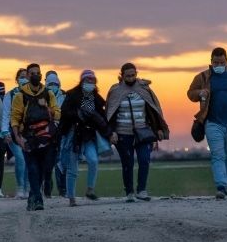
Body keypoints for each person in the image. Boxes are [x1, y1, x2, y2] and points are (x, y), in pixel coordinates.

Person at [187, 47, 227, 199]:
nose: (218, 65)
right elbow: (190, 93)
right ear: (211, 62)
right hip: (212, 122)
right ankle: (220, 186)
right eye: (215, 62)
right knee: (218, 154)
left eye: (221, 62)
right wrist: (200, 93)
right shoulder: (203, 77)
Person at [105, 62, 169, 202]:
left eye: (133, 75)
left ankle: (142, 190)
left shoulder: (144, 88)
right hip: (122, 133)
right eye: (127, 76)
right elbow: (109, 113)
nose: (130, 78)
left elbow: (154, 109)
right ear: (122, 76)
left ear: (136, 74)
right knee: (127, 163)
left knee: (144, 160)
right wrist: (112, 132)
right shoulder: (115, 91)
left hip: (143, 131)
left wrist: (158, 128)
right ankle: (129, 192)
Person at [10, 63, 61, 211]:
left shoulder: (48, 94)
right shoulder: (20, 96)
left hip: (47, 136)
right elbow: (15, 118)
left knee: (44, 169)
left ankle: (32, 196)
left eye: (37, 73)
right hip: (28, 136)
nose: (35, 75)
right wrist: (18, 138)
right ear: (27, 76)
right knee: (32, 168)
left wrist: (46, 107)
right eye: (32, 73)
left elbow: (57, 113)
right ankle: (38, 200)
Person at [59, 70, 108, 206]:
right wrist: (78, 114)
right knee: (72, 169)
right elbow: (64, 113)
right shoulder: (71, 95)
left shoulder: (97, 99)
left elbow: (102, 118)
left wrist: (109, 133)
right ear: (82, 81)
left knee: (93, 160)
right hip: (73, 135)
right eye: (87, 80)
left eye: (92, 80)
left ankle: (90, 189)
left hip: (90, 135)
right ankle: (71, 198)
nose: (90, 83)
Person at [0, 68, 30, 199]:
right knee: (20, 158)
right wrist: (5, 131)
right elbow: (5, 114)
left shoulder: (34, 93)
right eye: (21, 77)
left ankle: (29, 188)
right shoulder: (10, 95)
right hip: (13, 132)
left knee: (29, 160)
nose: (24, 79)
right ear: (17, 79)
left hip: (29, 133)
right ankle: (20, 188)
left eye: (26, 77)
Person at [44, 71, 66, 198]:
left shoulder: (65, 96)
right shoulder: (42, 97)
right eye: (50, 84)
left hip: (61, 133)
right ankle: (47, 190)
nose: (53, 86)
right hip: (46, 133)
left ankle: (62, 190)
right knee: (48, 163)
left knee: (61, 163)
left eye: (55, 84)